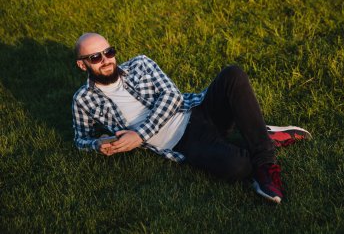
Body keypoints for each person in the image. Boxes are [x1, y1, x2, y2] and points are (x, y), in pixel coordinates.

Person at [72, 33, 311, 204]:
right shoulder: (83, 100)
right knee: (237, 167)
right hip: (183, 141)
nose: (106, 60)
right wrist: (98, 144)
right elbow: (80, 139)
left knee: (233, 75)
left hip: (196, 111)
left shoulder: (140, 64)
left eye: (109, 52)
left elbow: (173, 97)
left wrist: (140, 135)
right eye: (95, 57)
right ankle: (259, 133)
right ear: (82, 65)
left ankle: (265, 162)